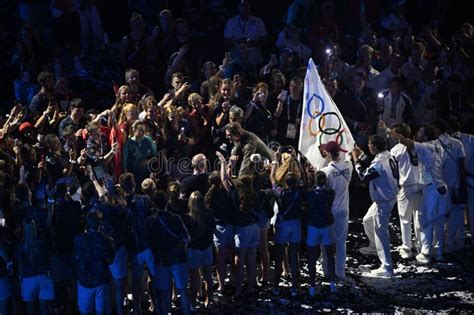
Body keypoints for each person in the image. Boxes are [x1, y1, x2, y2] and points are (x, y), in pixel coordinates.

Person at [382, 121, 448, 263]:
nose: (417, 133)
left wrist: (387, 129)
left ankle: (417, 251)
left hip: (423, 187)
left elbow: (393, 169)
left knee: (419, 220)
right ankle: (436, 250)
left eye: (420, 132)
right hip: (431, 185)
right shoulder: (438, 146)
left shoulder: (422, 147)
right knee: (434, 220)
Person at [352, 135, 398, 276]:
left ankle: (387, 267)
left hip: (383, 201)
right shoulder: (387, 155)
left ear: (376, 147)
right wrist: (362, 156)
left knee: (381, 231)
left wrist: (356, 160)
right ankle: (373, 246)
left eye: (370, 144)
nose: (368, 146)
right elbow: (373, 163)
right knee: (367, 220)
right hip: (387, 197)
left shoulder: (379, 163)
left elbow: (364, 176)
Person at [216, 151, 259, 298]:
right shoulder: (254, 193)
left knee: (240, 261)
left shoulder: (235, 195)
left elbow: (224, 179)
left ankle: (239, 289)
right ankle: (251, 287)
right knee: (252, 259)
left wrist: (224, 163)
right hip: (254, 228)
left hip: (242, 230)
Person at [144, 191, 190, 315]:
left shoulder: (149, 221)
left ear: (154, 204)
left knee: (163, 294)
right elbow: (186, 238)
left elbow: (147, 242)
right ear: (167, 202)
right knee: (183, 291)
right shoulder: (176, 218)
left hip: (160, 260)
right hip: (178, 258)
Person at [119, 172, 155, 315]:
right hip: (147, 246)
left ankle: (137, 308)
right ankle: (155, 304)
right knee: (153, 276)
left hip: (132, 248)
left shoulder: (120, 203)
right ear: (134, 185)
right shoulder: (145, 199)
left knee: (136, 279)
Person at [319, 141, 353, 279]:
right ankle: (340, 272)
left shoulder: (325, 172)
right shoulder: (348, 166)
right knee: (341, 242)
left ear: (326, 153)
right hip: (343, 209)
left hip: (329, 211)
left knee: (326, 242)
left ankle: (327, 271)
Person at [389, 123, 423, 259]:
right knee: (419, 218)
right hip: (420, 185)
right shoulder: (418, 146)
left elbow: (394, 172)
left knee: (405, 219)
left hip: (405, 187)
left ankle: (407, 248)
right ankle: (421, 246)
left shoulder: (395, 150)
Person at [270, 162, 304, 297]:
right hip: (295, 224)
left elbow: (272, 179)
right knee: (294, 257)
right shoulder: (299, 191)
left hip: (283, 224)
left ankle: (276, 286)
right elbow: (302, 177)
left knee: (279, 258)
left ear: (285, 182)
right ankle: (294, 288)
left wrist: (274, 165)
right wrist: (297, 162)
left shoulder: (281, 192)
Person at [433, 120, 466, 253]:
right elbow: (462, 164)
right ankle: (453, 242)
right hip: (455, 184)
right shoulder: (458, 143)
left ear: (437, 129)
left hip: (439, 185)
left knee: (439, 216)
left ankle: (438, 244)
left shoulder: (434, 144)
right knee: (455, 214)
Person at [74, 210, 115, 315]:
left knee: (85, 312)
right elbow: (111, 261)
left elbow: (76, 256)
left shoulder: (78, 239)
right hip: (102, 281)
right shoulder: (108, 240)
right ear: (100, 223)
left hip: (84, 281)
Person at [182, 191, 216, 310]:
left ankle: (193, 302)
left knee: (194, 278)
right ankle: (209, 300)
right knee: (208, 276)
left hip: (194, 250)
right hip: (206, 248)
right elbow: (213, 229)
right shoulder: (209, 214)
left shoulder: (187, 218)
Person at [305, 171, 337, 296]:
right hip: (327, 226)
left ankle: (312, 286)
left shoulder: (310, 194)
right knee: (329, 256)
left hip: (313, 227)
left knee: (312, 257)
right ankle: (332, 284)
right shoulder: (330, 193)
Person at [204, 171, 234, 296]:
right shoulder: (227, 194)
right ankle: (234, 280)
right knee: (233, 256)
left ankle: (221, 286)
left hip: (218, 228)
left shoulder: (209, 197)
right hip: (230, 225)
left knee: (220, 260)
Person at [16, 217, 54, 315]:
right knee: (45, 309)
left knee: (31, 310)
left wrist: (20, 278)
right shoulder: (41, 242)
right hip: (44, 277)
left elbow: (20, 263)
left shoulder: (21, 245)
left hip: (29, 278)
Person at [224, 0, 267, 65]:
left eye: (246, 8)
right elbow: (226, 40)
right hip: (236, 56)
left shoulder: (258, 21)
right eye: (242, 8)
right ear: (238, 9)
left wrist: (254, 43)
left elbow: (264, 38)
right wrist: (237, 42)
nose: (244, 10)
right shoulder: (231, 22)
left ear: (250, 9)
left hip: (253, 55)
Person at [122, 120, 158, 186]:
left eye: (144, 129)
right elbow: (124, 164)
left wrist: (148, 161)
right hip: (135, 177)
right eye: (140, 129)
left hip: (148, 175)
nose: (143, 132)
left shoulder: (149, 140)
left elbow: (155, 157)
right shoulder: (128, 144)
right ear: (134, 130)